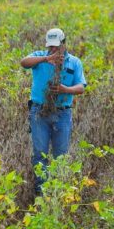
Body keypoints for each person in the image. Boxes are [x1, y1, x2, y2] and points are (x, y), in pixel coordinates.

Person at [21, 28, 86, 194]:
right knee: (39, 154)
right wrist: (46, 58)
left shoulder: (74, 62)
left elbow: (81, 87)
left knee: (60, 156)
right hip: (39, 112)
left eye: (57, 47)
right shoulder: (40, 56)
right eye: (51, 47)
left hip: (62, 114)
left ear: (64, 44)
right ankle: (41, 194)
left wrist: (65, 89)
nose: (53, 50)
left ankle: (57, 193)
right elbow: (23, 62)